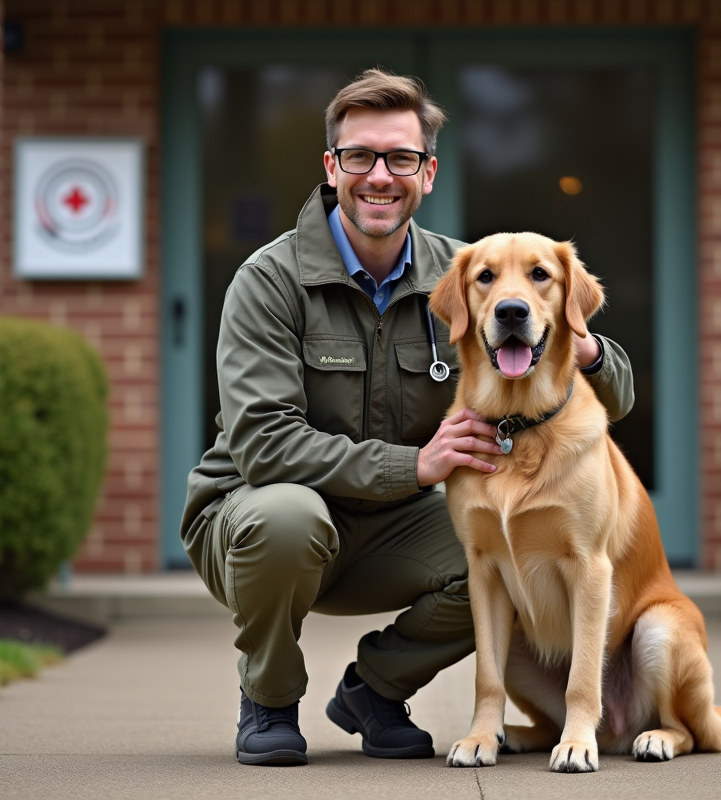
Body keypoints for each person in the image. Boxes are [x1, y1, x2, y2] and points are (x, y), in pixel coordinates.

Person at [178, 69, 635, 767]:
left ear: (428, 172)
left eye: (401, 158)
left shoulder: (474, 274)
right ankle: (269, 698)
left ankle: (377, 690)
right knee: (289, 519)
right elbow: (264, 446)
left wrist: (581, 337)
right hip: (257, 522)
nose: (380, 176)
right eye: (360, 156)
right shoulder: (269, 281)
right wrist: (416, 465)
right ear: (332, 167)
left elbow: (614, 394)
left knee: (507, 550)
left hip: (391, 522)